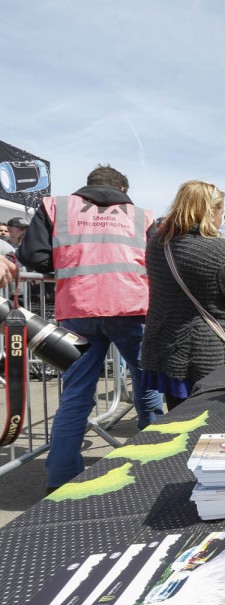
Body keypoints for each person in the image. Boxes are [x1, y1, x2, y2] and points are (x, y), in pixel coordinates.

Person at [17, 164, 165, 491]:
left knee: (76, 394)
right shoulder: (142, 216)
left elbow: (32, 254)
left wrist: (72, 264)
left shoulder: (56, 207)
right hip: (131, 308)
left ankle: (61, 479)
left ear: (87, 186)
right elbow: (157, 262)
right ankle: (154, 460)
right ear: (123, 190)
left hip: (78, 309)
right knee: (146, 380)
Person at [142, 181, 225, 409]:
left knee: (179, 420)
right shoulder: (217, 249)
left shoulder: (158, 244)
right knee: (210, 421)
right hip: (207, 355)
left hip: (170, 350)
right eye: (221, 211)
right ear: (211, 212)